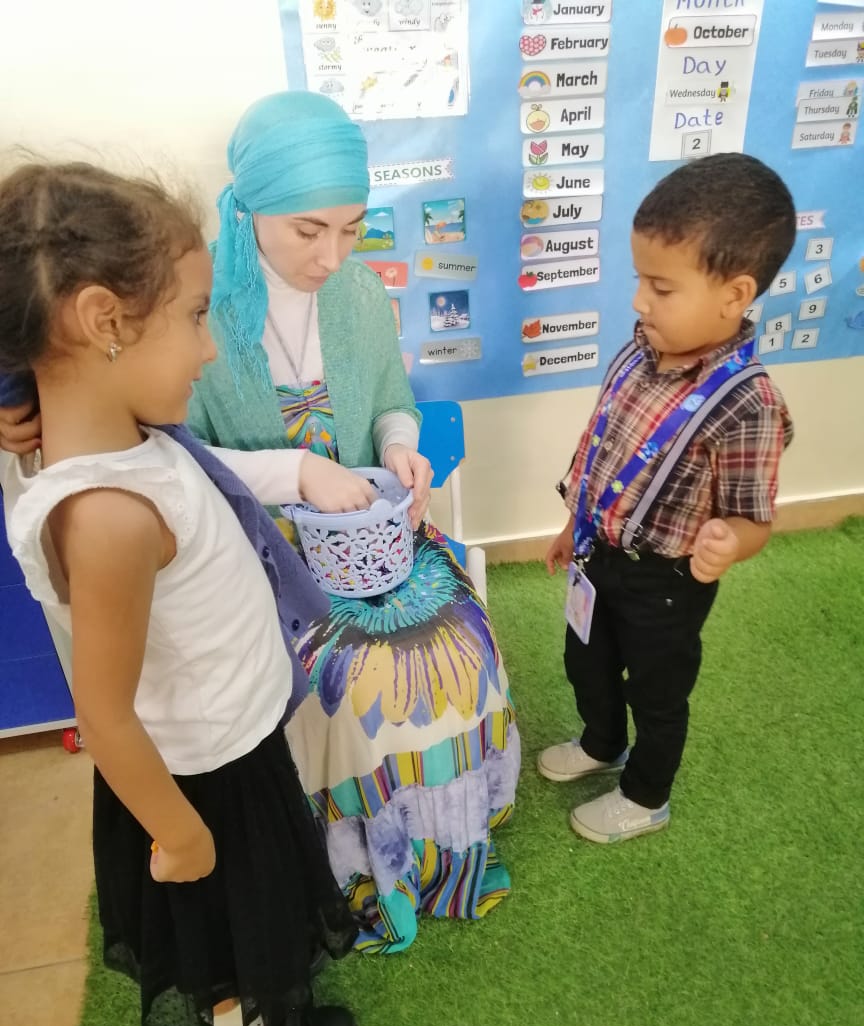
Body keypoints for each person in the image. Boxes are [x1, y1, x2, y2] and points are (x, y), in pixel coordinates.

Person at [1, 91, 521, 954]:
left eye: (351, 229)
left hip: (365, 530)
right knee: (350, 671)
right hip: (254, 549)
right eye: (308, 229)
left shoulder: (359, 295)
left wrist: (398, 449)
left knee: (458, 634)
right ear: (247, 210)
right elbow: (174, 459)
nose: (332, 255)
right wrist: (298, 473)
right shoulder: (186, 303)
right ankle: (345, 861)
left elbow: (391, 401)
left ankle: (439, 842)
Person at [0, 161, 359, 1026]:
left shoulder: (124, 445)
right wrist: (180, 833)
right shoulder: (110, 516)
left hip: (223, 740)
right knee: (231, 930)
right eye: (196, 317)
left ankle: (254, 1025)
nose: (207, 350)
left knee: (241, 915)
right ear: (103, 321)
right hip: (201, 776)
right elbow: (103, 712)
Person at [540, 152, 795, 844]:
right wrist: (573, 523)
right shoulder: (637, 350)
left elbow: (753, 518)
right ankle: (601, 743)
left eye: (661, 287)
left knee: (656, 690)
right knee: (585, 659)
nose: (638, 302)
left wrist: (730, 542)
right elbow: (599, 448)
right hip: (597, 553)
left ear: (734, 295)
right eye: (639, 281)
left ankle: (645, 795)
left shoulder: (749, 405)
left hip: (667, 584)